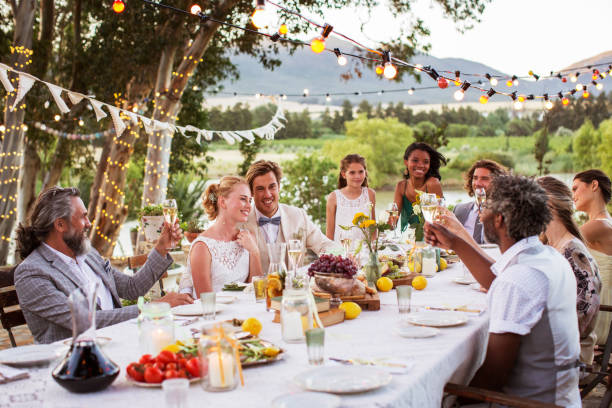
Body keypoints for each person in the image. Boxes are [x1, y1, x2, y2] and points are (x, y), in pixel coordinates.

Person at [424, 175, 580, 407]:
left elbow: (494, 375)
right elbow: (499, 279)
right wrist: (455, 243)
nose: (480, 213)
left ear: (499, 219)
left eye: (485, 207)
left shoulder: (520, 279)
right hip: (563, 396)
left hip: (531, 402)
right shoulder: (546, 257)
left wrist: (450, 399)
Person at [14, 187, 193, 344]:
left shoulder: (88, 254)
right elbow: (85, 320)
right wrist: (154, 307)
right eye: (83, 217)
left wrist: (161, 248)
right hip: (71, 362)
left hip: (118, 343)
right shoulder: (32, 273)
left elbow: (132, 288)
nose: (89, 223)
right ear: (60, 224)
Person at [538, 176, 601, 365]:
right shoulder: (550, 244)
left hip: (571, 354)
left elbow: (582, 316)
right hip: (553, 342)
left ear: (549, 206)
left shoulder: (573, 252)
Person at [244, 160, 340, 273]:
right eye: (260, 189)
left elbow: (323, 244)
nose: (267, 194)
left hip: (292, 289)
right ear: (251, 192)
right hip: (256, 289)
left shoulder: (298, 216)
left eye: (272, 187)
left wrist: (344, 255)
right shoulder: (242, 221)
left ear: (279, 186)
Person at [178, 176, 262, 297]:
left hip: (246, 313)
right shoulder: (202, 247)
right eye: (243, 199)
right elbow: (206, 303)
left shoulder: (249, 238)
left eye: (250, 201)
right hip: (213, 314)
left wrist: (254, 252)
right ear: (222, 202)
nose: (249, 206)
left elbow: (257, 292)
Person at [572, 169, 612, 348]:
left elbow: (557, 245)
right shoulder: (603, 222)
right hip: (596, 302)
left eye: (575, 189)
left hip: (599, 311)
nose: (572, 195)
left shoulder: (599, 225)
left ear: (594, 185)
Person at [393, 142, 446, 234]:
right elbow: (392, 223)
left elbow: (439, 221)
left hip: (434, 238)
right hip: (412, 239)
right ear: (406, 161)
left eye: (426, 162)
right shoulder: (401, 186)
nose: (421, 165)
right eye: (415, 160)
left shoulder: (432, 184)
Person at [453, 159, 507, 244]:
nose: (477, 183)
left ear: (498, 183)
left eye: (484, 179)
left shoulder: (504, 213)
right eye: (475, 178)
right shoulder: (459, 210)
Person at [325, 154, 376, 242]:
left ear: (365, 172)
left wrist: (373, 251)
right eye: (352, 172)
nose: (357, 176)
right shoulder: (333, 198)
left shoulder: (370, 194)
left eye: (361, 172)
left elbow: (373, 228)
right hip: (341, 251)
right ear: (344, 174)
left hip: (365, 251)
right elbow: (329, 234)